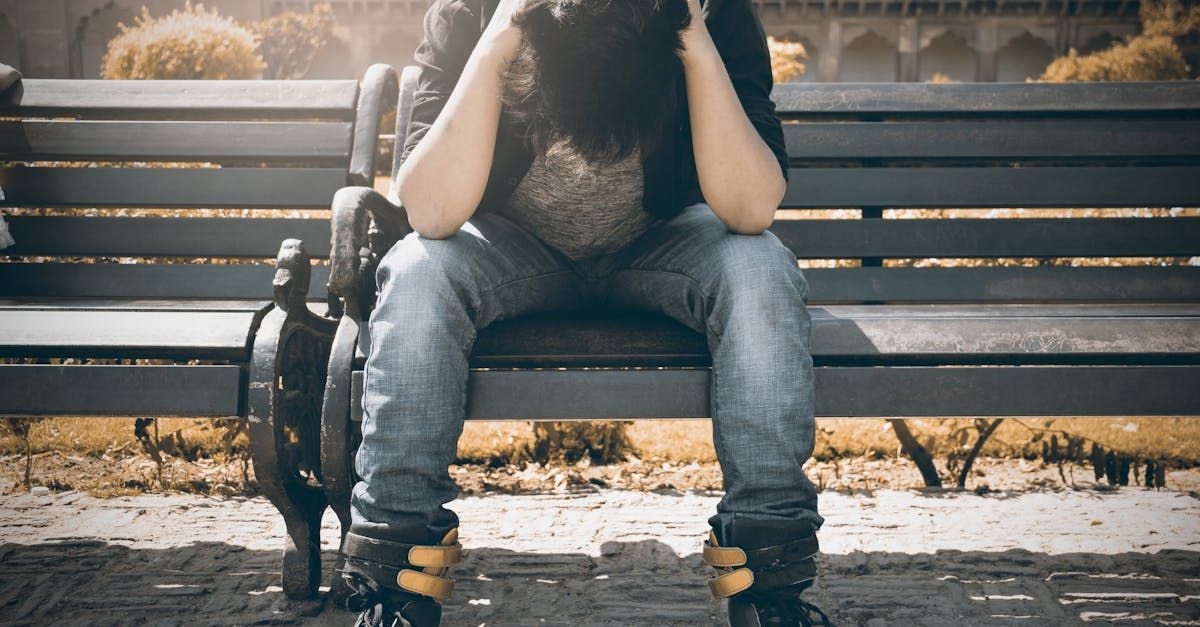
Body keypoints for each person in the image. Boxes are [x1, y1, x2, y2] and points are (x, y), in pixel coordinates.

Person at [337, 0, 829, 625]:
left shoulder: (714, 11)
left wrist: (696, 43)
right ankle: (394, 581)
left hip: (661, 244)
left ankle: (769, 586)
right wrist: (499, 38)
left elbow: (751, 210)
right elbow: (432, 213)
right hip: (515, 252)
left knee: (759, 267)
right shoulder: (469, 12)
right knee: (416, 270)